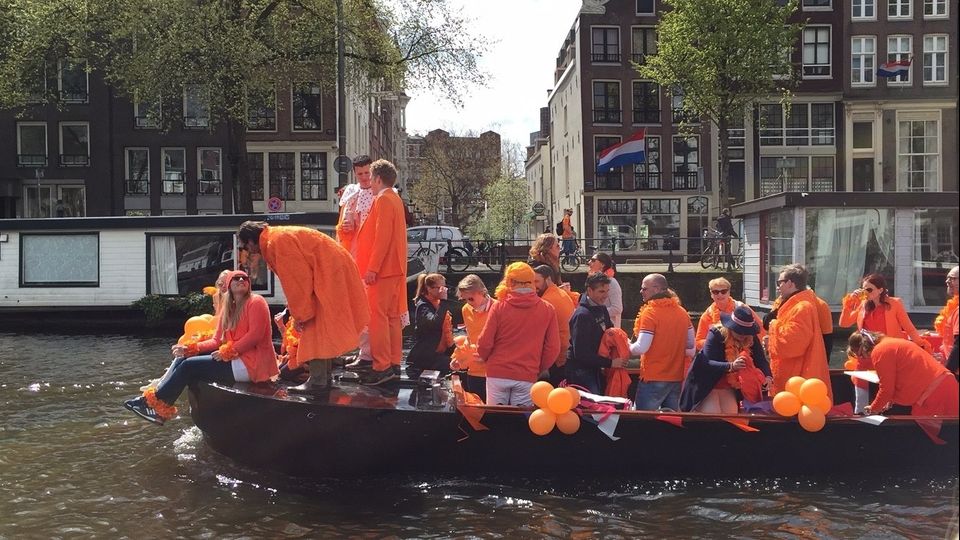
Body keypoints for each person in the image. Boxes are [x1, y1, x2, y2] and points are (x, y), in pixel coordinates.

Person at [123, 270, 278, 424]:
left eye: (244, 278)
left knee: (188, 367)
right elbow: (216, 341)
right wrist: (191, 348)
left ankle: (155, 406)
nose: (241, 280)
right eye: (236, 278)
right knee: (186, 358)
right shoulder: (227, 309)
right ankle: (155, 406)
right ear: (229, 284)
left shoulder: (256, 301)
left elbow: (255, 336)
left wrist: (228, 351)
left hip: (253, 364)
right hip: (237, 359)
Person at [236, 220, 369, 393]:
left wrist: (301, 315)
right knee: (323, 328)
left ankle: (318, 382)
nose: (248, 251)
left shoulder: (277, 242)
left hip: (330, 272)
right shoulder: (277, 237)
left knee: (314, 327)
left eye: (245, 247)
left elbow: (297, 281)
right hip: (332, 270)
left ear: (250, 241)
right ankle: (323, 378)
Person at [839, 273, 933, 413]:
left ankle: (887, 412)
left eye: (869, 290)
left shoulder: (894, 304)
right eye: (864, 289)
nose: (866, 293)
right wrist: (849, 304)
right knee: (860, 380)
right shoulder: (863, 305)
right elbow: (844, 323)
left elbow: (909, 328)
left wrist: (921, 346)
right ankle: (860, 412)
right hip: (867, 353)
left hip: (888, 353)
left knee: (888, 383)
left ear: (880, 290)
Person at [353, 159, 409, 385]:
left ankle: (382, 366)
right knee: (392, 317)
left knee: (377, 318)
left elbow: (382, 237)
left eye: (371, 178)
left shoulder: (383, 199)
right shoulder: (395, 199)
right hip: (395, 268)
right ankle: (393, 363)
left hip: (383, 270)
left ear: (377, 179)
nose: (369, 183)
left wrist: (372, 268)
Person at [476, 262, 560, 406]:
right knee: (522, 417)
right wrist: (537, 368)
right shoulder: (547, 309)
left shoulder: (499, 306)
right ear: (532, 281)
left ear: (510, 282)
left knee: (495, 416)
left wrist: (486, 359)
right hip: (527, 374)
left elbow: (485, 342)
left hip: (498, 373)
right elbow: (553, 347)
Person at [680, 306, 772, 414]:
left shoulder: (750, 337)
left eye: (746, 332)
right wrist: (731, 366)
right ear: (731, 327)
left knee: (731, 414)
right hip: (706, 382)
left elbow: (761, 359)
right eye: (739, 331)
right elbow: (707, 362)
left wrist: (768, 376)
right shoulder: (716, 333)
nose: (743, 335)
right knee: (713, 413)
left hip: (728, 385)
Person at [847, 330, 958, 417]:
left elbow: (886, 389)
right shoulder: (892, 343)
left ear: (864, 348)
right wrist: (890, 400)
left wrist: (873, 409)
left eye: (860, 355)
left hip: (935, 393)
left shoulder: (880, 351)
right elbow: (903, 375)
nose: (863, 359)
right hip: (944, 385)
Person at [765, 264, 832, 399]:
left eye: (779, 282)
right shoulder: (790, 303)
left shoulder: (802, 307)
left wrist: (773, 326)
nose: (777, 287)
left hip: (798, 375)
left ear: (790, 283)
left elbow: (792, 344)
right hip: (791, 374)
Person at [629, 273, 695, 411]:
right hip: (676, 378)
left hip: (653, 377)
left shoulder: (650, 313)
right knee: (671, 420)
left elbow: (641, 348)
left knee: (643, 419)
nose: (641, 291)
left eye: (644, 288)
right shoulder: (682, 312)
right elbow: (690, 344)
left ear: (657, 289)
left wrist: (626, 345)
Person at [335, 155, 376, 370]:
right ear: (355, 174)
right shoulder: (351, 193)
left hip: (368, 257)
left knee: (368, 305)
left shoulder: (380, 194)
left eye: (367, 173)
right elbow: (343, 226)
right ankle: (363, 351)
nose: (364, 177)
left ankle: (369, 354)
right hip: (353, 256)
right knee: (356, 305)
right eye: (360, 174)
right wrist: (345, 227)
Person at [567, 272, 628, 395]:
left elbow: (610, 332)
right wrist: (611, 363)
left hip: (596, 367)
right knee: (592, 405)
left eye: (607, 291)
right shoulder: (582, 315)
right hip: (582, 371)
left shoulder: (602, 308)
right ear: (590, 291)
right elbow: (580, 353)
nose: (605, 296)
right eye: (601, 292)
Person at [452, 274, 495, 400]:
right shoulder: (466, 309)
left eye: (470, 299)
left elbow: (505, 341)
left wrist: (487, 357)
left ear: (482, 292)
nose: (468, 303)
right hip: (474, 370)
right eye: (465, 299)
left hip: (494, 372)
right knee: (476, 407)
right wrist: (459, 358)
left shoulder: (498, 308)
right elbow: (470, 338)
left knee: (492, 409)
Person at [533, 265, 576, 385]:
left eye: (537, 281)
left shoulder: (546, 301)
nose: (534, 286)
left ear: (548, 279)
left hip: (556, 358)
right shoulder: (562, 293)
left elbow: (539, 334)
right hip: (567, 354)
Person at [695, 277, 765, 351]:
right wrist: (714, 342)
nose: (720, 295)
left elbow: (760, 329)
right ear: (711, 294)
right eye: (715, 292)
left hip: (743, 351)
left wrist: (755, 348)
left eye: (723, 291)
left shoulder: (742, 308)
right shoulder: (707, 315)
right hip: (718, 354)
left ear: (729, 292)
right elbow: (698, 342)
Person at [407, 273, 455, 377]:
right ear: (429, 288)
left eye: (444, 288)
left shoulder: (437, 303)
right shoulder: (423, 307)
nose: (443, 291)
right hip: (427, 356)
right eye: (439, 288)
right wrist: (443, 301)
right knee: (456, 365)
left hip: (440, 352)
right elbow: (435, 323)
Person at [587, 252, 622, 329]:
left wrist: (595, 313)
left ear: (602, 264)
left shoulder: (612, 282)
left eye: (593, 260)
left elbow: (617, 308)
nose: (589, 262)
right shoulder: (593, 281)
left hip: (609, 330)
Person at [936, 266, 959, 374]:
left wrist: (948, 372)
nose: (947, 281)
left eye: (952, 278)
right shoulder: (954, 305)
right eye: (947, 277)